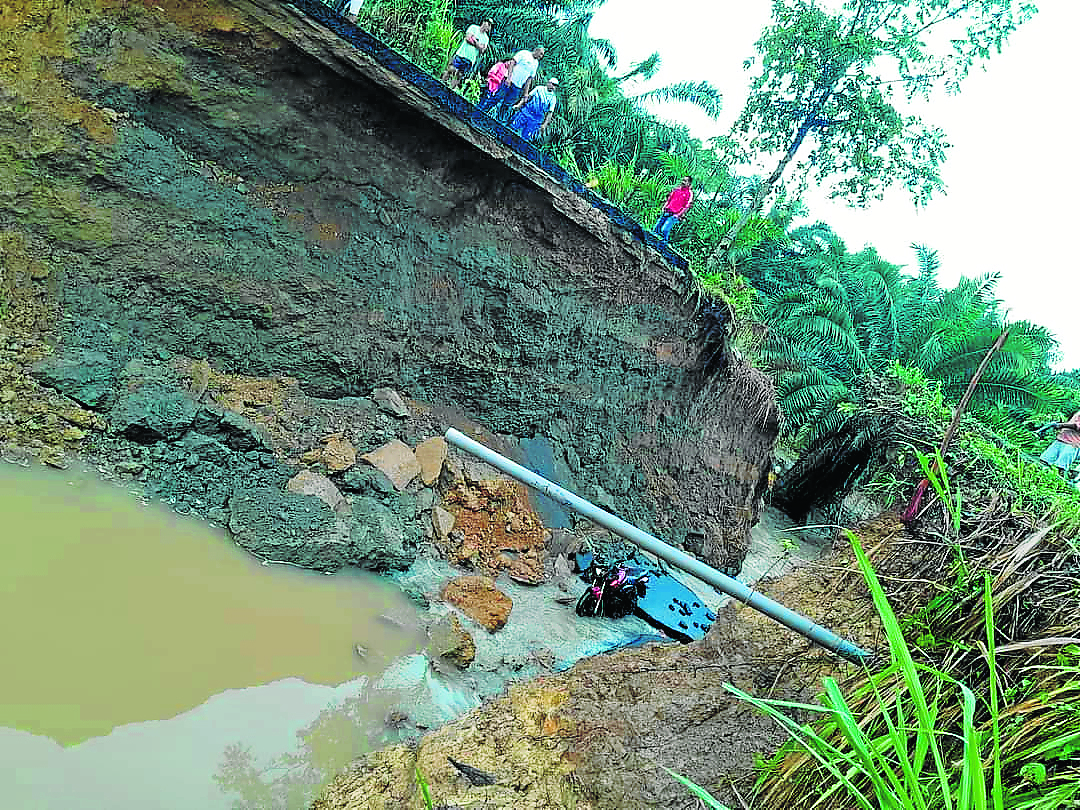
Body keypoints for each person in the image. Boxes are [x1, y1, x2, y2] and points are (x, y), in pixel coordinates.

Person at [493, 46, 544, 123]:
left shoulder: (536, 64)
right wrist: (509, 78)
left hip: (517, 87)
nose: (541, 56)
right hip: (508, 81)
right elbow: (512, 63)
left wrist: (525, 93)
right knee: (496, 98)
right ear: (536, 50)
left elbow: (529, 79)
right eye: (540, 54)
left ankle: (497, 122)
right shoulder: (524, 53)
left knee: (507, 105)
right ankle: (482, 112)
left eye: (542, 55)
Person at [442, 18, 493, 90]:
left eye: (490, 25)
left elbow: (482, 49)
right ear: (484, 22)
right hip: (461, 54)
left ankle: (449, 89)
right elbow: (468, 38)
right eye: (488, 24)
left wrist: (474, 40)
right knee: (451, 69)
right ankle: (441, 83)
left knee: (459, 75)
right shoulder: (473, 28)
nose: (489, 27)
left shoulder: (486, 38)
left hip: (470, 59)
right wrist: (478, 44)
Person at [510, 77, 558, 141]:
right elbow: (528, 97)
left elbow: (550, 113)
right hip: (526, 111)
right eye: (553, 84)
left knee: (526, 137)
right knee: (512, 127)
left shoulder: (553, 98)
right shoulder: (539, 88)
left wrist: (544, 124)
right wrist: (519, 105)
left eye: (555, 86)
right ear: (548, 83)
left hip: (536, 119)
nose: (553, 87)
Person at [1039, 410, 1080, 478]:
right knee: (1044, 461)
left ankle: (1052, 485)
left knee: (1059, 468)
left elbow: (1077, 426)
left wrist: (1061, 425)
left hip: (1072, 444)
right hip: (1061, 439)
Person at [653, 177, 694, 243]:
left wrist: (678, 215)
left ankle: (663, 244)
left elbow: (686, 206)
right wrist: (664, 207)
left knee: (664, 229)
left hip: (674, 214)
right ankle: (652, 243)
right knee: (656, 228)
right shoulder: (677, 190)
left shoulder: (689, 193)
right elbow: (669, 199)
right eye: (682, 180)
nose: (683, 182)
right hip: (667, 211)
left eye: (685, 181)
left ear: (689, 183)